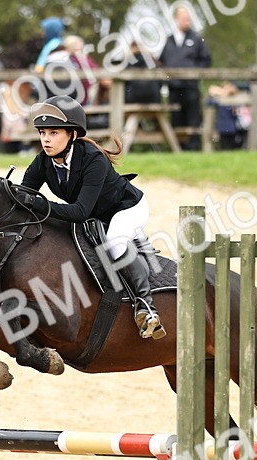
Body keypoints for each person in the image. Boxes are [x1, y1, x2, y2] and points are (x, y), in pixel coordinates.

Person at [21, 96, 165, 340]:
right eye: (42, 133)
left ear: (73, 135)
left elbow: (79, 212)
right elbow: (25, 193)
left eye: (54, 133)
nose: (46, 139)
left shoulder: (93, 159)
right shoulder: (43, 161)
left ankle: (146, 305)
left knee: (115, 242)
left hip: (126, 208)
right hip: (95, 215)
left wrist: (39, 205)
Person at [159, 6, 211, 150]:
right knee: (176, 118)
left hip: (190, 86)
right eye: (184, 19)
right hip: (174, 87)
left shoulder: (196, 39)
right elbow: (162, 61)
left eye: (188, 19)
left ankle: (193, 147)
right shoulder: (169, 40)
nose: (187, 22)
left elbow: (206, 60)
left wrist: (195, 72)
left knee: (193, 118)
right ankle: (177, 148)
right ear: (177, 20)